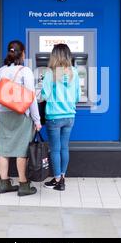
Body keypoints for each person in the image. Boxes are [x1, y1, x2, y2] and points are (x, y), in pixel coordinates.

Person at [0, 40, 42, 196]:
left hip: (3, 113)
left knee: (4, 149)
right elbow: (31, 98)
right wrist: (37, 120)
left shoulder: (0, 71)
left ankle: (4, 183)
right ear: (22, 54)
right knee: (22, 150)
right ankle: (23, 185)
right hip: (20, 113)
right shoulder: (25, 71)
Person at [41, 44, 80, 191]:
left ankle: (57, 180)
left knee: (55, 149)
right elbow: (77, 96)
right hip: (70, 116)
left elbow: (44, 95)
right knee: (64, 147)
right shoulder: (74, 72)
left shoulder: (50, 73)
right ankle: (62, 177)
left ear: (54, 56)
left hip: (54, 116)